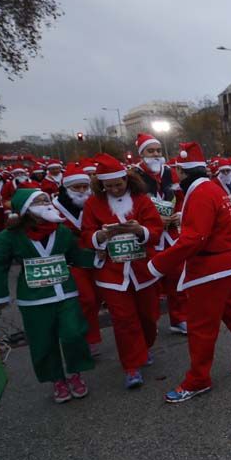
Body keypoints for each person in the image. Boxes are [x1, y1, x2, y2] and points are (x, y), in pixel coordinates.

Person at [147, 142, 231, 403]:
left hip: (211, 268)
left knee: (201, 326)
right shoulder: (209, 188)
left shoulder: (201, 193)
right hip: (224, 263)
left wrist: (158, 264)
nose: (174, 174)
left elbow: (195, 238)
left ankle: (198, 379)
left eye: (176, 170)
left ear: (182, 171)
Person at [0, 188, 94, 403]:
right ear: (27, 209)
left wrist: (99, 256)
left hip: (65, 293)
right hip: (34, 299)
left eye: (47, 199)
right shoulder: (10, 237)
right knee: (43, 341)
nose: (47, 203)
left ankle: (75, 373)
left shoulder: (62, 231)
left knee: (74, 333)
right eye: (40, 201)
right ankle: (56, 379)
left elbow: (76, 255)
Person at [81, 153, 164, 390]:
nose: (115, 189)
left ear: (127, 180)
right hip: (112, 273)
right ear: (101, 185)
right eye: (109, 186)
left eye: (119, 184)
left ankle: (143, 347)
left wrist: (140, 230)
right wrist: (100, 236)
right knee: (123, 320)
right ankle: (131, 367)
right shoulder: (93, 204)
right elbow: (86, 233)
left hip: (142, 269)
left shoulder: (142, 201)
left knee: (148, 317)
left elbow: (155, 229)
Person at [132, 133, 187, 336]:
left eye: (158, 150)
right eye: (150, 151)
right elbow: (132, 207)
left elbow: (181, 197)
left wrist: (180, 213)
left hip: (171, 233)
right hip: (150, 237)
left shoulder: (169, 173)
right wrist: (152, 222)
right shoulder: (133, 176)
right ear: (141, 154)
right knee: (151, 280)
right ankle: (150, 322)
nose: (155, 154)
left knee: (178, 274)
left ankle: (179, 318)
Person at [54, 161, 102, 356]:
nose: (82, 191)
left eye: (85, 186)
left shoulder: (93, 204)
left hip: (94, 258)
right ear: (66, 188)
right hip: (71, 262)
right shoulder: (54, 208)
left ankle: (89, 335)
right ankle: (86, 338)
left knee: (96, 298)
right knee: (86, 299)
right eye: (77, 187)